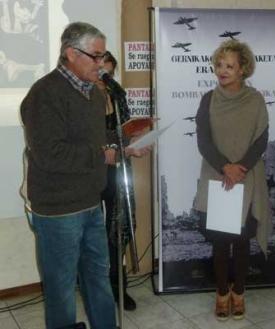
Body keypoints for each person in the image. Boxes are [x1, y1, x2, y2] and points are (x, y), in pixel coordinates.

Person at [20, 22, 117, 329]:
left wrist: (128, 141)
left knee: (98, 279)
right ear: (71, 54)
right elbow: (50, 154)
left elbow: (93, 140)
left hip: (90, 202)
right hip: (59, 211)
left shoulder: (93, 93)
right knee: (61, 290)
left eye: (102, 57)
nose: (102, 64)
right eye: (96, 56)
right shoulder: (44, 94)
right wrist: (102, 156)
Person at [194, 40, 271, 321]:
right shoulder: (208, 100)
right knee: (219, 242)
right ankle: (221, 294)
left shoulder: (255, 100)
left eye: (229, 66)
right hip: (217, 177)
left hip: (247, 178)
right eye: (219, 65)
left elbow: (261, 139)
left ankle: (239, 293)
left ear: (243, 70)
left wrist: (240, 168)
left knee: (240, 241)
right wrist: (226, 167)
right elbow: (203, 141)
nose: (222, 70)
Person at [96, 51, 139, 311]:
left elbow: (126, 129)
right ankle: (94, 286)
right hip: (89, 172)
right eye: (101, 72)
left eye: (109, 74)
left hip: (117, 168)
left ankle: (118, 286)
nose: (104, 78)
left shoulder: (116, 95)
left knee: (118, 226)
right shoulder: (80, 98)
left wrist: (135, 142)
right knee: (90, 232)